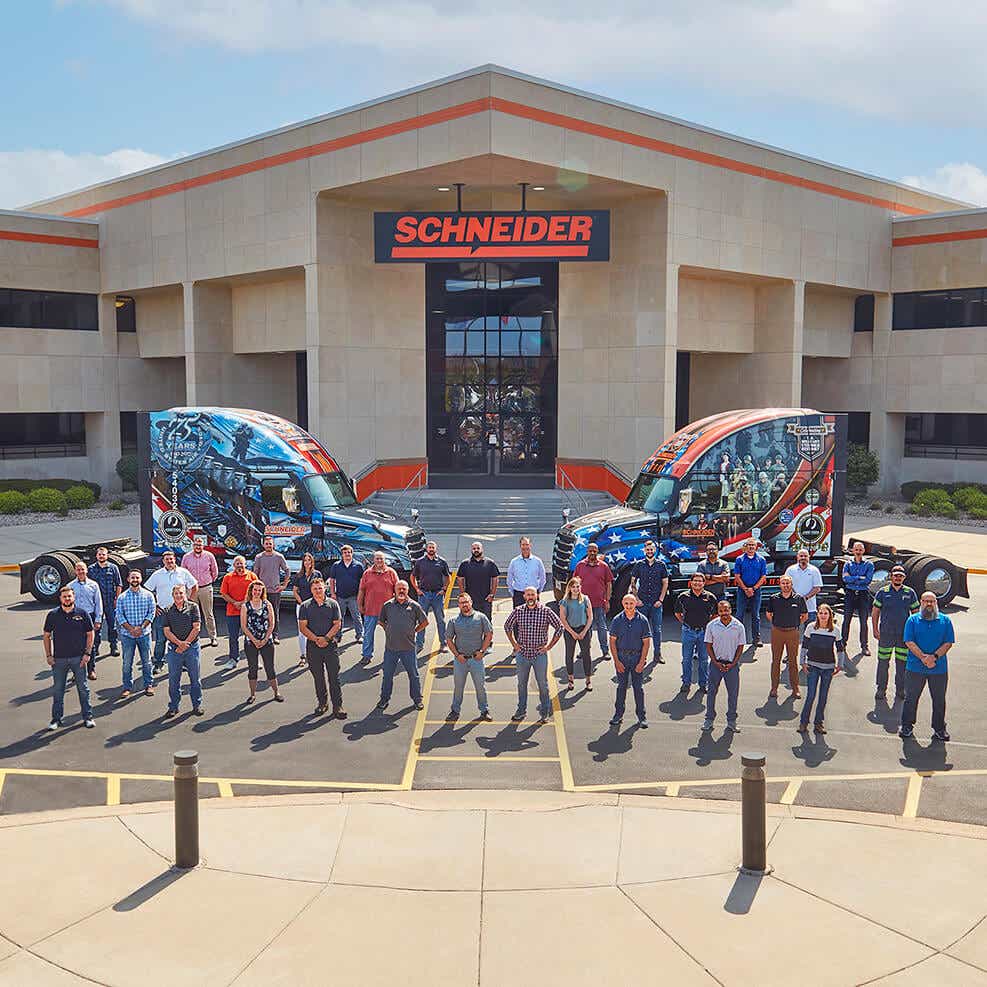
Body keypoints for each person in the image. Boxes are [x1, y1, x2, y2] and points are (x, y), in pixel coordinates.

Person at [504, 586, 563, 725]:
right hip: (522, 654)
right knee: (521, 684)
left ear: (537, 595)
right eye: (528, 594)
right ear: (524, 596)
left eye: (533, 594)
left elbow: (560, 627)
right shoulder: (518, 611)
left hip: (539, 654)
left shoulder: (546, 611)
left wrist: (548, 647)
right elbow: (507, 626)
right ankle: (521, 711)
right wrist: (514, 645)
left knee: (542, 684)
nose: (530, 597)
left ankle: (544, 713)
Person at [900, 592, 953, 742]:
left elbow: (948, 642)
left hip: (939, 668)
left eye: (932, 601)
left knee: (939, 700)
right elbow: (909, 641)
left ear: (936, 603)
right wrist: (923, 658)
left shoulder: (945, 621)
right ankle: (907, 726)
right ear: (921, 602)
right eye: (925, 601)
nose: (929, 604)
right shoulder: (912, 620)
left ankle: (939, 729)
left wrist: (934, 657)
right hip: (915, 668)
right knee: (911, 698)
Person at [43, 585, 95, 730]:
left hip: (78, 658)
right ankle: (56, 719)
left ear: (74, 597)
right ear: (60, 598)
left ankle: (88, 717)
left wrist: (87, 654)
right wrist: (48, 655)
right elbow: (46, 636)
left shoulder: (82, 613)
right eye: (64, 596)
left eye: (69, 596)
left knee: (83, 689)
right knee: (58, 690)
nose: (67, 598)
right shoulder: (53, 615)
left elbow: (90, 634)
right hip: (59, 660)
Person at [871, 564, 920, 703]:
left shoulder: (910, 593)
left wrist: (914, 633)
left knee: (902, 664)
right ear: (891, 576)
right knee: (883, 663)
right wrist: (875, 629)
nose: (898, 577)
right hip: (886, 634)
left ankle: (901, 689)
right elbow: (875, 612)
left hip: (903, 636)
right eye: (895, 575)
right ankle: (881, 689)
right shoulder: (882, 591)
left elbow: (915, 615)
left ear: (904, 577)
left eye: (900, 575)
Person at [298, 575, 345, 717]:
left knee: (334, 678)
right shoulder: (305, 606)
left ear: (325, 588)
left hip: (330, 646)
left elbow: (337, 624)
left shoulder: (332, 604)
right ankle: (322, 703)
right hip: (313, 647)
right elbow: (302, 627)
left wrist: (326, 638)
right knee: (318, 677)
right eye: (315, 588)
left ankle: (338, 706)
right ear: (311, 590)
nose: (318, 590)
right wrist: (316, 639)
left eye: (320, 588)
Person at [377, 581, 428, 711]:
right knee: (387, 675)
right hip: (391, 649)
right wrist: (388, 630)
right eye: (399, 588)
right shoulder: (387, 605)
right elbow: (381, 621)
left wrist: (414, 631)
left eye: (403, 589)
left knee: (414, 675)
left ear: (407, 590)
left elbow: (425, 622)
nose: (401, 591)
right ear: (394, 590)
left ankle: (417, 700)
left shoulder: (414, 606)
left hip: (408, 649)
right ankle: (384, 699)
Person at [145, 551, 198, 672]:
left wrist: (189, 603)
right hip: (163, 612)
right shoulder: (157, 574)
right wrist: (155, 606)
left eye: (171, 559)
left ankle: (183, 662)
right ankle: (158, 663)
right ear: (163, 561)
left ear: (175, 560)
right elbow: (148, 591)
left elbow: (194, 586)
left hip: (181, 612)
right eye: (167, 559)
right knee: (160, 640)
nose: (169, 561)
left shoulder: (183, 572)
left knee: (181, 637)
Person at [445, 593, 494, 721]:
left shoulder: (481, 617)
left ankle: (484, 711)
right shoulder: (453, 621)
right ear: (458, 605)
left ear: (471, 602)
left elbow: (489, 634)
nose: (464, 604)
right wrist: (456, 655)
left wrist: (482, 651)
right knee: (458, 687)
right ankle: (455, 711)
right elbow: (449, 639)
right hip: (460, 660)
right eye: (462, 603)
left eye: (466, 602)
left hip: (476, 659)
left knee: (480, 687)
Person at [608, 593, 652, 728]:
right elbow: (612, 642)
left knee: (638, 688)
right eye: (626, 603)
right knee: (621, 687)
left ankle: (641, 717)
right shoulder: (617, 620)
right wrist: (616, 661)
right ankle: (618, 715)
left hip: (636, 658)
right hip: (621, 657)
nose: (629, 606)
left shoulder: (643, 620)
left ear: (636, 604)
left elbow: (646, 642)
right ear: (622, 603)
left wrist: (642, 661)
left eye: (631, 603)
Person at [702, 598, 746, 732]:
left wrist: (733, 663)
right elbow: (708, 645)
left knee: (733, 695)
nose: (724, 613)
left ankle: (731, 722)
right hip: (716, 665)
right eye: (721, 611)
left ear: (730, 610)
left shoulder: (739, 626)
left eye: (726, 610)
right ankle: (709, 720)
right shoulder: (711, 625)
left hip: (732, 667)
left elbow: (740, 646)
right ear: (718, 611)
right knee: (711, 693)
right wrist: (715, 662)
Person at [798, 602, 842, 734]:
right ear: (817, 614)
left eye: (826, 613)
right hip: (813, 666)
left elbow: (840, 649)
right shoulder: (811, 627)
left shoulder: (835, 630)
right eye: (821, 613)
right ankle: (803, 723)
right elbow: (804, 646)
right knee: (811, 695)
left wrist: (840, 665)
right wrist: (802, 662)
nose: (823, 615)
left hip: (828, 668)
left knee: (823, 696)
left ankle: (818, 723)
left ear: (830, 615)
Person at [161, 584, 204, 718]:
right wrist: (179, 644)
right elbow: (166, 631)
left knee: (195, 679)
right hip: (175, 650)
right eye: (176, 594)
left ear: (185, 594)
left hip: (192, 649)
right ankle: (173, 707)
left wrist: (186, 644)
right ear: (172, 595)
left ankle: (197, 705)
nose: (179, 596)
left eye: (181, 593)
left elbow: (196, 628)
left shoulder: (193, 607)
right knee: (174, 680)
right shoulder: (167, 610)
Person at [114, 569, 156, 699]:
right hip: (127, 636)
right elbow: (119, 615)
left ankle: (148, 684)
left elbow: (152, 613)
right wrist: (131, 629)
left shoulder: (148, 595)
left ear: (141, 579)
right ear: (128, 579)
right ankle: (127, 687)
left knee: (147, 661)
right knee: (127, 662)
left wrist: (141, 628)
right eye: (132, 577)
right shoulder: (122, 597)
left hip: (144, 634)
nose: (135, 580)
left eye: (137, 577)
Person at [241, 580, 283, 704]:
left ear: (262, 592)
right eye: (255, 590)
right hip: (251, 642)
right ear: (251, 591)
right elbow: (244, 626)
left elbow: (272, 623)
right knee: (252, 668)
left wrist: (265, 639)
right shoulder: (245, 606)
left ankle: (276, 692)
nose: (257, 592)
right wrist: (254, 640)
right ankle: (252, 694)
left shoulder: (267, 604)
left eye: (259, 590)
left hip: (266, 641)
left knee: (270, 667)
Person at [674, 573, 718, 695]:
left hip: (704, 633)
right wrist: (685, 623)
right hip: (688, 632)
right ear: (691, 582)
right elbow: (678, 613)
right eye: (695, 581)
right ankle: (686, 683)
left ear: (704, 583)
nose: (697, 583)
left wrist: (708, 626)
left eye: (700, 581)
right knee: (687, 659)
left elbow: (715, 615)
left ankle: (704, 684)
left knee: (704, 660)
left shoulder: (710, 597)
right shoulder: (683, 596)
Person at [765, 574, 807, 698]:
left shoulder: (799, 599)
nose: (786, 585)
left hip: (792, 632)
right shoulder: (774, 598)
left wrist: (794, 624)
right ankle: (774, 688)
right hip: (777, 632)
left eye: (788, 583)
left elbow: (804, 616)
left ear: (791, 584)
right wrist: (775, 623)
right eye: (783, 583)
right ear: (780, 584)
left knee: (793, 662)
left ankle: (795, 689)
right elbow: (768, 613)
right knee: (776, 661)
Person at [629, 540, 668, 663]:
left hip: (656, 603)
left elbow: (665, 583)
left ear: (655, 550)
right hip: (642, 603)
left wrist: (661, 600)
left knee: (657, 630)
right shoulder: (639, 565)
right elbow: (633, 582)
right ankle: (642, 656)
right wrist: (637, 599)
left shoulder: (661, 565)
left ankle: (657, 654)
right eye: (647, 549)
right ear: (644, 550)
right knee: (641, 630)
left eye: (652, 549)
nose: (650, 551)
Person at [574, 543, 614, 659]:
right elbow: (574, 584)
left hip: (599, 603)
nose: (592, 553)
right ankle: (584, 650)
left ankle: (605, 651)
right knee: (586, 628)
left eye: (594, 551)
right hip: (583, 604)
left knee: (602, 627)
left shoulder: (603, 566)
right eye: (590, 550)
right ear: (587, 551)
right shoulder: (580, 566)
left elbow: (608, 584)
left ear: (597, 552)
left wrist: (607, 600)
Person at [411, 540, 452, 653]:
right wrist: (417, 589)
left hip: (437, 595)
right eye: (429, 547)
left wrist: (444, 589)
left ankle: (443, 644)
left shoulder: (441, 561)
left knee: (440, 620)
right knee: (422, 620)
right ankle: (419, 644)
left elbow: (448, 577)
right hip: (424, 595)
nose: (431, 549)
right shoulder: (420, 562)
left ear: (436, 549)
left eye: (432, 547)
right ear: (426, 549)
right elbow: (412, 576)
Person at [358, 551, 398, 662]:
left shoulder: (391, 572)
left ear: (385, 560)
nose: (379, 561)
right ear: (373, 560)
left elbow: (398, 589)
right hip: (370, 610)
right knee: (368, 635)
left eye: (381, 559)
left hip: (388, 611)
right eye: (377, 559)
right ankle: (366, 655)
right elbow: (361, 590)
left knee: (391, 634)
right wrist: (360, 605)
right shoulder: (367, 573)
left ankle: (392, 655)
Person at [219, 555, 257, 670]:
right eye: (237, 564)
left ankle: (253, 660)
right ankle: (233, 659)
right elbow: (224, 594)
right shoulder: (227, 577)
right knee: (233, 637)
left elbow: (257, 592)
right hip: (232, 613)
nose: (239, 566)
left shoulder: (252, 576)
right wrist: (235, 603)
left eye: (241, 563)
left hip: (249, 612)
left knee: (250, 637)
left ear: (245, 564)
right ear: (233, 565)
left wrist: (244, 602)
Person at [66, 561, 103, 681]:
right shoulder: (70, 586)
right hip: (75, 618)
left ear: (86, 570)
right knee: (75, 646)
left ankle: (91, 670)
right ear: (75, 571)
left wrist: (98, 619)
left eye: (82, 569)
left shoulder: (94, 585)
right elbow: (66, 604)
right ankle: (77, 672)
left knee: (90, 646)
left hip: (89, 617)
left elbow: (98, 603)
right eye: (78, 570)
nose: (80, 572)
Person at [181, 536, 219, 647]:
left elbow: (214, 571)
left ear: (203, 545)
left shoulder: (209, 556)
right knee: (191, 615)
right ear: (193, 546)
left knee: (208, 614)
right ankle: (192, 639)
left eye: (200, 544)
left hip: (205, 588)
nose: (198, 546)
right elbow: (183, 572)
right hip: (192, 589)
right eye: (196, 545)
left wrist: (209, 581)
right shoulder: (186, 557)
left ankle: (213, 637)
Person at [253, 536, 290, 645]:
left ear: (273, 545)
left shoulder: (279, 557)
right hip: (262, 592)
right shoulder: (259, 557)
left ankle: (275, 635)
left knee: (274, 613)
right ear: (263, 545)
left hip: (275, 591)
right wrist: (256, 589)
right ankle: (262, 634)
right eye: (267, 543)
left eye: (270, 543)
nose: (268, 545)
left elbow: (287, 570)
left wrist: (284, 585)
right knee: (260, 613)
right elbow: (255, 573)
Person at [558, 575, 593, 691]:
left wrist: (584, 631)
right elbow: (562, 619)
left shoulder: (585, 599)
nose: (576, 589)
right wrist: (572, 632)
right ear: (569, 588)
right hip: (570, 631)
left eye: (577, 587)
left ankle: (588, 680)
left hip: (583, 630)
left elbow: (590, 617)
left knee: (586, 655)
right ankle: (570, 679)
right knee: (569, 655)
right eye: (573, 587)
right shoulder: (564, 601)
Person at [841, 541, 875, 656]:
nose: (858, 552)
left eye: (860, 550)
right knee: (846, 620)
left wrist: (853, 578)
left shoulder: (869, 565)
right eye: (856, 550)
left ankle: (864, 646)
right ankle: (842, 644)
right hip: (850, 593)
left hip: (863, 594)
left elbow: (868, 580)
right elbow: (845, 579)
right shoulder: (847, 564)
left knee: (863, 621)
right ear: (852, 551)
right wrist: (859, 577)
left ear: (863, 551)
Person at [89, 546, 122, 658]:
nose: (101, 556)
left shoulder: (113, 568)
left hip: (110, 602)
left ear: (107, 555)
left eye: (103, 554)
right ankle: (95, 647)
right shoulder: (91, 569)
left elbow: (119, 584)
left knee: (112, 626)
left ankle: (114, 646)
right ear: (96, 556)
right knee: (97, 626)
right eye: (99, 554)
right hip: (96, 603)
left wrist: (117, 599)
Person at [733, 538, 767, 648]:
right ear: (745, 547)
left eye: (753, 545)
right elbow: (737, 576)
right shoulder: (739, 559)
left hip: (756, 591)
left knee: (755, 615)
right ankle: (738, 638)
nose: (751, 547)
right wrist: (746, 589)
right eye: (749, 545)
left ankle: (756, 638)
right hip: (742, 590)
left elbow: (763, 576)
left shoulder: (761, 559)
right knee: (739, 614)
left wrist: (753, 588)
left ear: (756, 547)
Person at [329, 545, 365, 647]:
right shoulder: (336, 565)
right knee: (339, 618)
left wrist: (360, 595)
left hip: (354, 596)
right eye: (345, 553)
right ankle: (337, 635)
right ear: (342, 554)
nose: (347, 554)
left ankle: (359, 635)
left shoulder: (358, 566)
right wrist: (332, 593)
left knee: (356, 617)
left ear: (352, 553)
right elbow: (332, 580)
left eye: (349, 552)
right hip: (340, 596)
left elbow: (362, 581)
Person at [456, 542, 500, 621]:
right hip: (470, 601)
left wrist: (492, 594)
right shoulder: (465, 564)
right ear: (471, 550)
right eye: (474, 548)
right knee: (469, 622)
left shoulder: (490, 563)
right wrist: (464, 594)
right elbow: (460, 578)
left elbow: (495, 578)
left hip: (486, 600)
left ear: (482, 549)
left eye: (478, 548)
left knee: (487, 622)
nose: (476, 550)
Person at [292, 552, 319, 668]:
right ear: (302, 562)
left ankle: (312, 656)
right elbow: (295, 591)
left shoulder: (317, 574)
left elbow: (319, 590)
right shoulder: (299, 576)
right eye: (305, 560)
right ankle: (303, 656)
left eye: (309, 560)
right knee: (302, 633)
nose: (307, 562)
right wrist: (302, 603)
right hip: (301, 606)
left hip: (314, 606)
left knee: (314, 631)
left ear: (312, 562)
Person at [506, 536, 546, 608]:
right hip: (519, 595)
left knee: (535, 617)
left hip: (533, 594)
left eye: (527, 544)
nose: (525, 547)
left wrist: (538, 592)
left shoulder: (537, 561)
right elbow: (509, 579)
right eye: (523, 545)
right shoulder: (514, 562)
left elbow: (543, 578)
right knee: (518, 618)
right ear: (520, 546)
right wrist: (513, 594)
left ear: (530, 545)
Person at [784, 549, 824, 622]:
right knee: (793, 631)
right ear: (797, 557)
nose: (803, 558)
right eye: (801, 556)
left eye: (805, 556)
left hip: (810, 608)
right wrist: (795, 596)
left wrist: (805, 598)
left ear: (809, 557)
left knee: (809, 631)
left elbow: (817, 588)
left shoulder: (814, 570)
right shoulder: (790, 570)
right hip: (793, 606)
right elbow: (786, 586)